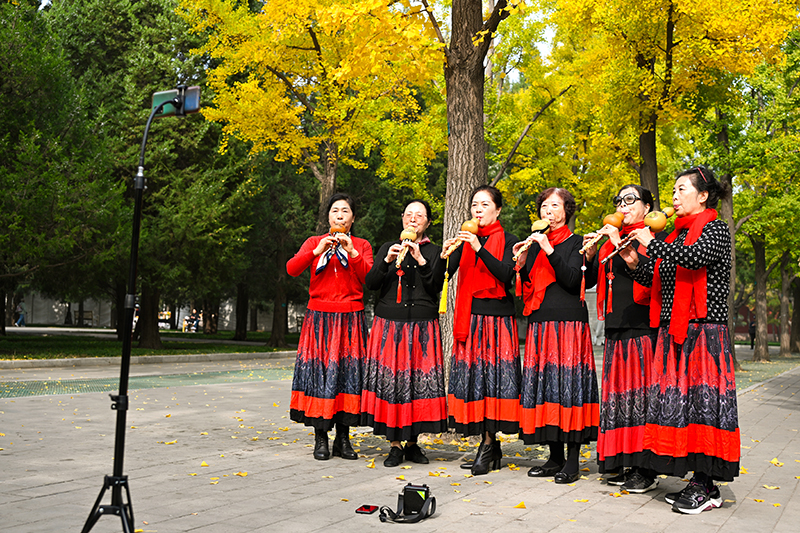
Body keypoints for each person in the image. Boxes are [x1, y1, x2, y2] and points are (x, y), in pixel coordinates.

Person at [621, 166, 738, 514]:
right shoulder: (675, 235)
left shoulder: (715, 229)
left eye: (681, 189)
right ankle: (697, 480)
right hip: (675, 331)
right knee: (682, 407)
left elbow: (694, 258)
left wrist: (652, 243)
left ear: (703, 195)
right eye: (672, 190)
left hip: (704, 332)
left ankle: (707, 485)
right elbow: (659, 275)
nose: (673, 197)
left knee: (705, 406)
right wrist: (633, 262)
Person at [512, 187, 599, 484]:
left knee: (569, 389)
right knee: (547, 388)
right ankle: (554, 457)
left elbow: (573, 280)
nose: (548, 211)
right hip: (540, 322)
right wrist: (523, 262)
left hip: (569, 324)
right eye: (544, 206)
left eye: (555, 206)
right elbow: (529, 285)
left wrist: (548, 249)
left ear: (566, 211)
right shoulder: (535, 243)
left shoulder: (577, 242)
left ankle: (572, 461)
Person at [582, 185, 659, 493]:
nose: (622, 206)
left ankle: (646, 468)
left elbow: (655, 278)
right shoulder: (608, 243)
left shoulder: (652, 237)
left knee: (642, 400)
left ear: (647, 206)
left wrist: (619, 244)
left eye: (630, 200)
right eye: (619, 201)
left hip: (643, 327)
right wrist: (590, 255)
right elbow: (590, 281)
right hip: (615, 327)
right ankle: (626, 461)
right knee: (620, 401)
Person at [286, 193, 374, 461]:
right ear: (328, 217)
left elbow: (370, 278)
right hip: (319, 319)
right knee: (321, 377)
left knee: (347, 377)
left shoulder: (362, 245)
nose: (339, 215)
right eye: (335, 210)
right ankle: (321, 437)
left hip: (350, 318)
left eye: (345, 211)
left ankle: (344, 439)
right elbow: (292, 269)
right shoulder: (314, 242)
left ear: (353, 218)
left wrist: (352, 252)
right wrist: (316, 252)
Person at [361, 199, 448, 467]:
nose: (413, 219)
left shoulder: (435, 251)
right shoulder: (388, 247)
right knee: (393, 385)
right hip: (389, 323)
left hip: (422, 325)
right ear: (402, 218)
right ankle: (395, 445)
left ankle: (412, 444)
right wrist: (386, 261)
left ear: (428, 222)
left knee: (417, 385)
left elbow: (435, 286)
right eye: (409, 214)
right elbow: (371, 283)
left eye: (419, 215)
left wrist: (421, 260)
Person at [443, 185, 520, 476]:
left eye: (485, 204)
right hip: (470, 320)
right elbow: (442, 275)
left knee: (494, 383)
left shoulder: (509, 240)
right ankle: (490, 445)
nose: (478, 209)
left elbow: (506, 274)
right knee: (476, 383)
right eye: (475, 204)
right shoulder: (464, 240)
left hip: (497, 321)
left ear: (497, 210)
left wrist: (478, 247)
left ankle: (487, 445)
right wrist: (445, 254)